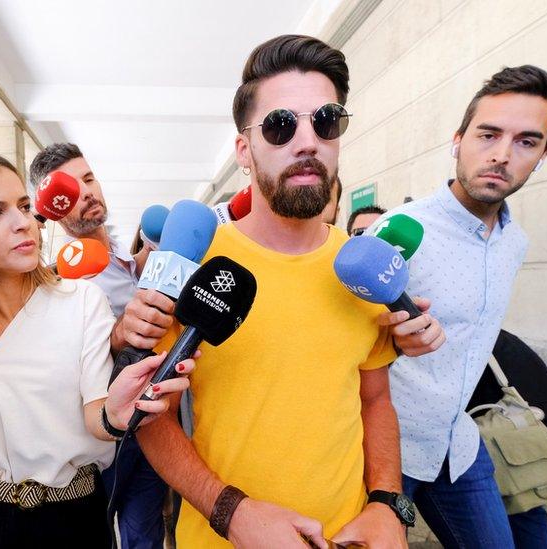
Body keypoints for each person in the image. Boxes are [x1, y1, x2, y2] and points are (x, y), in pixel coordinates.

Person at [119, 34, 446, 548]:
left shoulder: (362, 268)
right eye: (280, 125)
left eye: (326, 120)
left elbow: (376, 401)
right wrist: (230, 511)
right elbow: (147, 415)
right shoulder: (196, 266)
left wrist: (388, 505)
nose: (308, 140)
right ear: (244, 150)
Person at [0, 152, 194, 548]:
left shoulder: (80, 300)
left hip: (73, 518)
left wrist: (115, 416)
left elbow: (97, 414)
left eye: (23, 206)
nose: (24, 223)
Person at [377, 65, 547, 548]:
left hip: (458, 445)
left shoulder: (515, 242)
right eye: (488, 135)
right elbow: (340, 338)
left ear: (543, 155)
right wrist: (389, 337)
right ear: (458, 140)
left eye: (526, 142)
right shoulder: (402, 228)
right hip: (380, 448)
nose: (502, 156)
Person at [29, 143, 168, 548]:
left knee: (145, 536)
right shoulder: (55, 280)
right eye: (70, 188)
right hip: (98, 440)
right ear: (51, 206)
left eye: (88, 179)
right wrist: (118, 332)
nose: (87, 192)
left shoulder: (131, 258)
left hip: (155, 423)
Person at [467, 329, 547, 548]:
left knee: (517, 515)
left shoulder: (456, 334)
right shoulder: (489, 328)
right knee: (525, 510)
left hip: (533, 438)